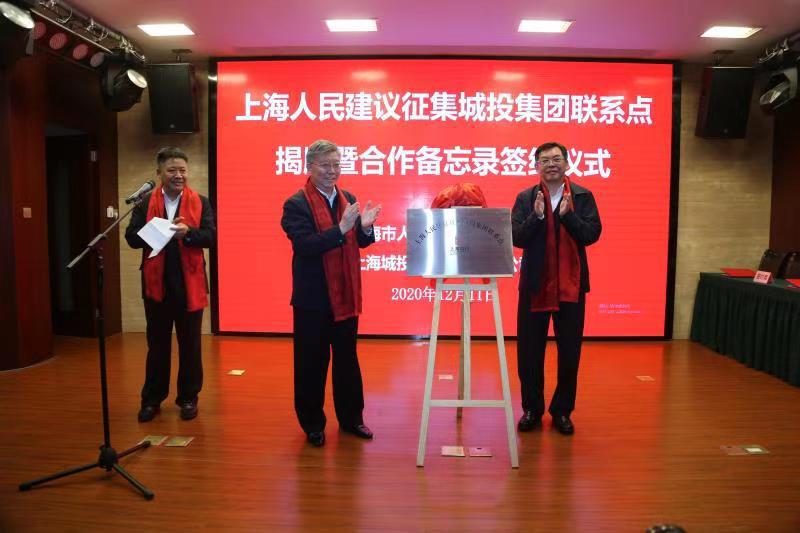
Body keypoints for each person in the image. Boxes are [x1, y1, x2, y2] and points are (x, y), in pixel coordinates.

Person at [280, 139, 381, 447]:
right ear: (309, 167)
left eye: (337, 164)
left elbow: (360, 242)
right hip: (313, 299)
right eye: (325, 165)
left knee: (347, 360)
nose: (332, 171)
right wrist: (341, 229)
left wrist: (364, 227)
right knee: (311, 363)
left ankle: (352, 419)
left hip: (345, 297)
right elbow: (304, 246)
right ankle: (313, 424)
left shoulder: (348, 198)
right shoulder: (295, 204)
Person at [511, 142, 601, 435]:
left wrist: (568, 215)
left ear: (567, 163)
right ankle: (531, 409)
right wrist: (537, 216)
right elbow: (517, 238)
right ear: (536, 166)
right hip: (535, 285)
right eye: (545, 160)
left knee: (569, 352)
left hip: (571, 287)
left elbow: (591, 234)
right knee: (529, 352)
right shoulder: (526, 198)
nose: (551, 164)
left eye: (557, 159)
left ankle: (562, 411)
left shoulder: (582, 196)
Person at [125, 147, 216, 423]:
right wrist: (156, 232)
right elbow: (131, 238)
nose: (178, 175)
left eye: (182, 170)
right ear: (159, 173)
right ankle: (152, 399)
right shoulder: (144, 203)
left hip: (190, 285)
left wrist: (187, 234)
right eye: (172, 170)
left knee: (190, 346)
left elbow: (210, 237)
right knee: (157, 346)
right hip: (157, 286)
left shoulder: (201, 202)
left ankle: (188, 398)